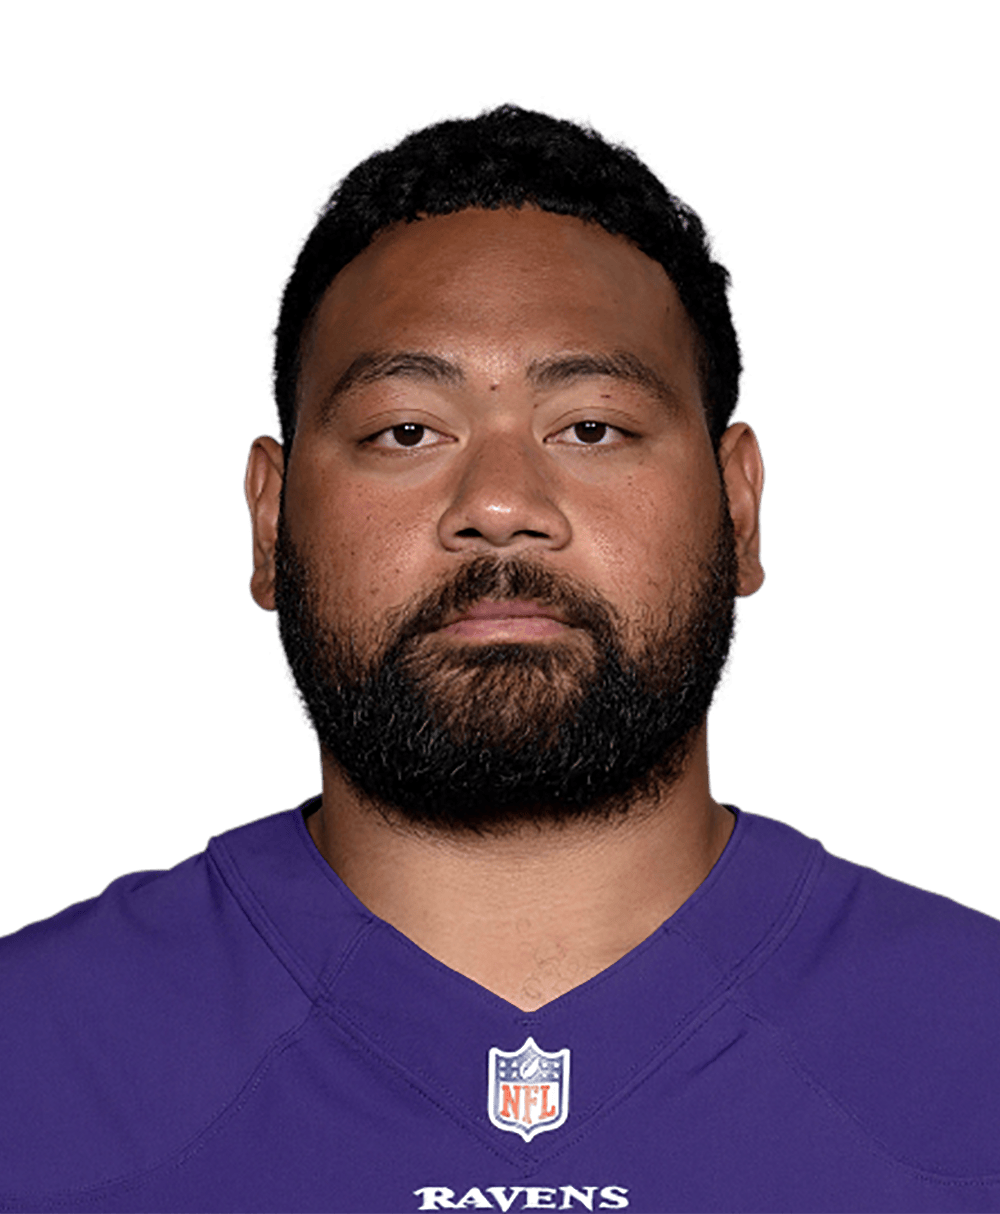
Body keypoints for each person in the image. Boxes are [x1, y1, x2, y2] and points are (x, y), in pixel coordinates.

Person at [1, 102, 998, 1214]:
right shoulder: (28, 1057)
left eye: (592, 427)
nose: (501, 505)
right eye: (405, 431)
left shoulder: (980, 1048)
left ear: (740, 506)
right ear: (270, 520)